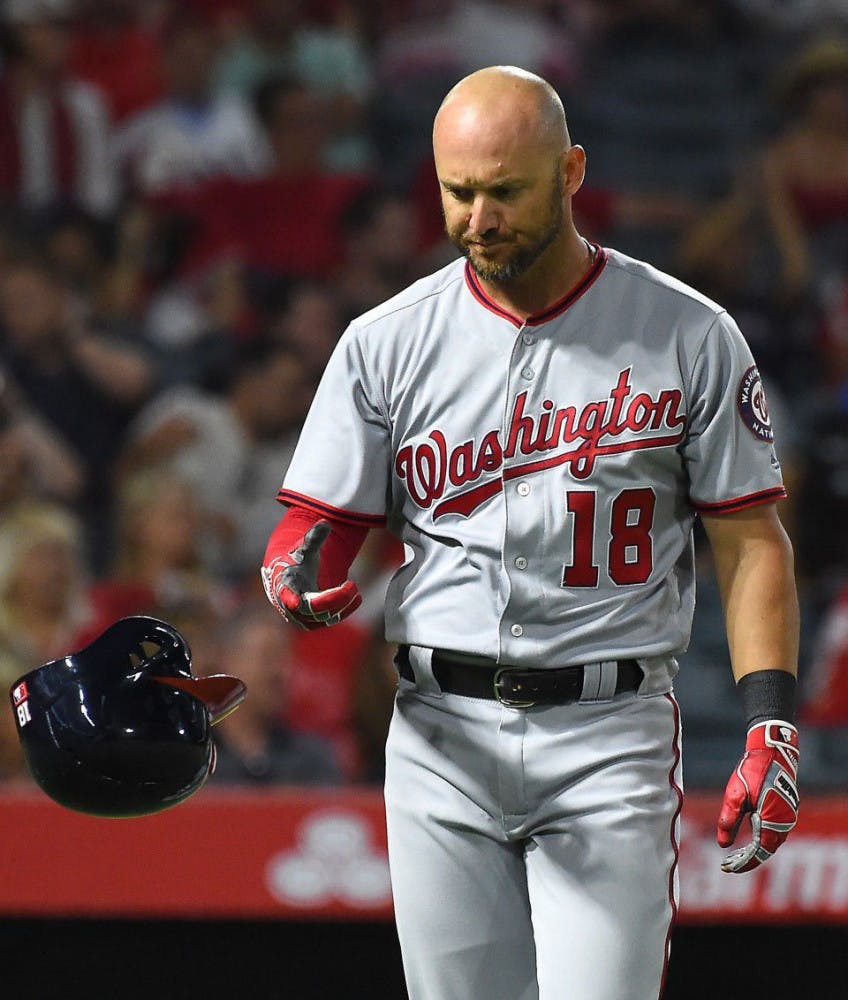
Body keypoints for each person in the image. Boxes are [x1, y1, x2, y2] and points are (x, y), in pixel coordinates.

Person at [261, 67, 801, 1000]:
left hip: (609, 733)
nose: (479, 218)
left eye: (504, 190)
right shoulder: (386, 340)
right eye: (457, 192)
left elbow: (751, 541)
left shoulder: (688, 333)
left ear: (570, 172)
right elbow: (318, 526)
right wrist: (291, 570)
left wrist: (769, 722)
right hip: (439, 735)